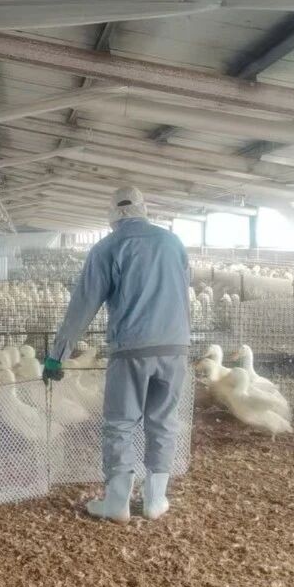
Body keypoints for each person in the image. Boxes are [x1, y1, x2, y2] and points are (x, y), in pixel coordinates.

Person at [43, 187, 190, 522]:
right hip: (175, 348)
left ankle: (117, 503)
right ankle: (156, 501)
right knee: (163, 421)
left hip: (131, 349)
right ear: (144, 208)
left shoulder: (107, 248)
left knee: (120, 424)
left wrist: (58, 355)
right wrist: (180, 342)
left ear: (112, 214)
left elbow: (83, 306)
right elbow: (183, 293)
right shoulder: (173, 243)